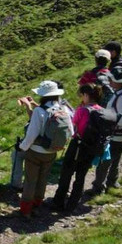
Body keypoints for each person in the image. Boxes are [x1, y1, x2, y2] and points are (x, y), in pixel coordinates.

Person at [16, 81, 72, 217]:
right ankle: (37, 205)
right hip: (52, 151)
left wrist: (22, 147)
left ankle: (25, 210)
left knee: (30, 180)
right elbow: (71, 130)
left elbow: (31, 134)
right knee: (43, 178)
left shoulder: (39, 111)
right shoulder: (63, 110)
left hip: (35, 151)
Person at [50, 83, 107, 212]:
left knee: (66, 173)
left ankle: (58, 201)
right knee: (81, 175)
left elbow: (73, 128)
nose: (81, 98)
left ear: (86, 95)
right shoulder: (101, 110)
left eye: (82, 95)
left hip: (77, 145)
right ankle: (72, 204)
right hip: (91, 147)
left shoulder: (83, 110)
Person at [91, 69, 122, 194]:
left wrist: (106, 119)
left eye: (112, 80)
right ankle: (112, 182)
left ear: (119, 82)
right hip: (120, 135)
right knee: (115, 159)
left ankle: (98, 187)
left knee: (105, 161)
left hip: (116, 135)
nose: (109, 82)